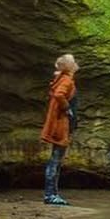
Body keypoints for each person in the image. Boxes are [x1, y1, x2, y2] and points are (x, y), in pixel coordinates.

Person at [41, 53, 79, 206]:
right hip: (60, 125)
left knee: (55, 160)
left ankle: (53, 194)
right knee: (55, 160)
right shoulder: (66, 80)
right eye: (74, 61)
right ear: (69, 67)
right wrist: (67, 109)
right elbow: (59, 95)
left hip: (61, 123)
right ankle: (50, 195)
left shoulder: (63, 79)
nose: (76, 63)